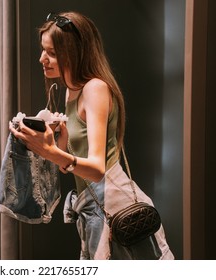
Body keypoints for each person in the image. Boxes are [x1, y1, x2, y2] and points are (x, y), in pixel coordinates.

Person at [10, 11, 174, 259]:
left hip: (115, 202)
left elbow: (97, 169)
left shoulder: (94, 88)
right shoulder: (70, 92)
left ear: (75, 53)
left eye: (52, 53)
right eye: (43, 50)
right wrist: (55, 144)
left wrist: (49, 151)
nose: (42, 58)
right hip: (93, 205)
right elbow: (74, 164)